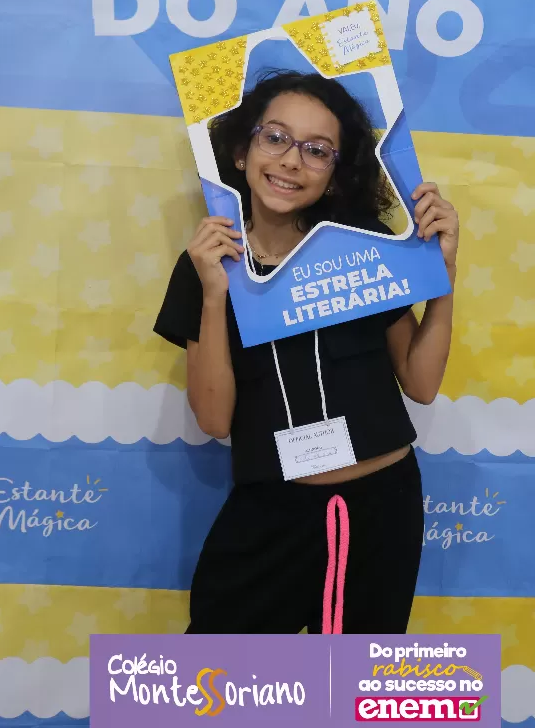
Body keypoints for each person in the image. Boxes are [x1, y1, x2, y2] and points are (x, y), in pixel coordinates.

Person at [154, 70, 458, 634]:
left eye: (317, 151)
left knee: (350, 683)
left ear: (336, 174)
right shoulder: (205, 264)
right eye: (275, 138)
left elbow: (420, 384)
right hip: (274, 511)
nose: (292, 161)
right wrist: (216, 295)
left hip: (381, 507)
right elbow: (215, 419)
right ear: (241, 151)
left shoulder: (363, 244)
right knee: (214, 676)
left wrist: (442, 279)